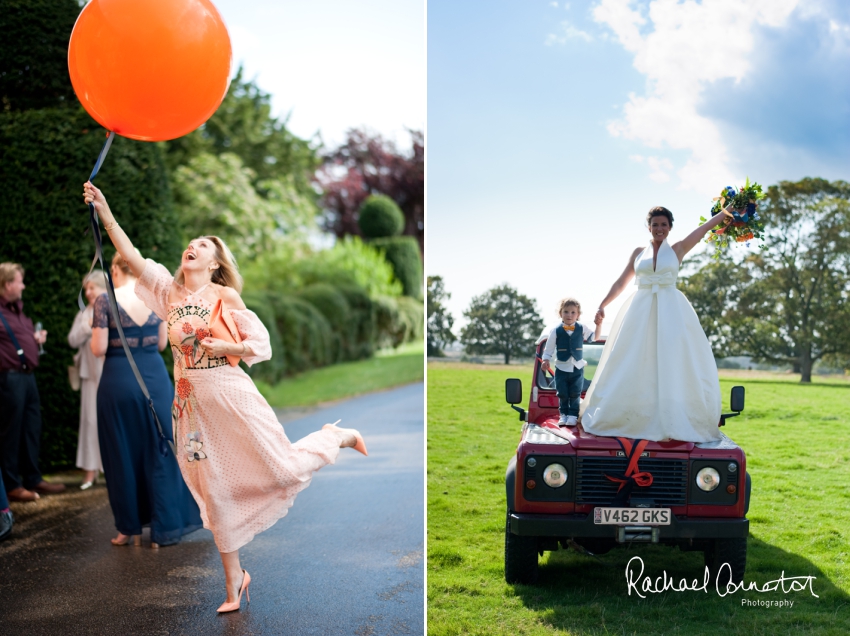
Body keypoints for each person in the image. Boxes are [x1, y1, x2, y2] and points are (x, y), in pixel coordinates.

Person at [83, 182, 368, 614]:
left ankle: (336, 437)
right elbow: (132, 254)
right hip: (191, 410)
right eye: (190, 243)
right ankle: (234, 581)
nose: (191, 247)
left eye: (201, 245)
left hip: (233, 397)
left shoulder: (224, 296)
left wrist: (226, 348)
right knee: (214, 493)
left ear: (215, 264)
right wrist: (104, 209)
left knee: (284, 468)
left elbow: (261, 345)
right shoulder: (167, 292)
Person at [579, 206, 729, 443]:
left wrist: (727, 211)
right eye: (655, 225)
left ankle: (672, 415)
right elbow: (622, 281)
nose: (659, 229)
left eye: (664, 225)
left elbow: (703, 230)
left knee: (673, 359)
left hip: (671, 310)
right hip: (640, 308)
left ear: (670, 227)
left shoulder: (678, 248)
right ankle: (626, 414)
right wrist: (603, 304)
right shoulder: (639, 252)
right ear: (649, 227)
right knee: (630, 356)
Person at [91, 252, 203, 548]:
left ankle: (127, 528)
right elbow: (163, 342)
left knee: (121, 453)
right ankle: (163, 530)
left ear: (115, 269)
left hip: (118, 381)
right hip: (154, 379)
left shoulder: (105, 299)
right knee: (160, 448)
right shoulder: (155, 299)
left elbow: (98, 347)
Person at [0, 262, 66, 503]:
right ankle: (11, 484)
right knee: (10, 432)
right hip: (9, 378)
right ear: (8, 284)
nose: (23, 285)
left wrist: (34, 338)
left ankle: (32, 477)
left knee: (31, 428)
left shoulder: (18, 311)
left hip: (28, 378)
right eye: (19, 281)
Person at [67, 271, 108, 489]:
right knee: (90, 421)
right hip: (90, 376)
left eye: (91, 288)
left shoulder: (115, 307)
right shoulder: (84, 314)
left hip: (110, 373)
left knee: (109, 422)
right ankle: (90, 472)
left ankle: (111, 470)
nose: (88, 293)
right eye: (86, 289)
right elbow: (72, 340)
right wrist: (88, 324)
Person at [540, 298, 598, 426]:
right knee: (562, 393)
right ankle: (564, 414)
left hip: (577, 367)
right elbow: (549, 348)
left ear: (578, 315)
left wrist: (598, 324)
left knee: (575, 392)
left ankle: (573, 415)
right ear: (560, 313)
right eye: (566, 312)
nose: (569, 315)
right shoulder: (556, 330)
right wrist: (545, 360)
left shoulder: (582, 328)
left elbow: (594, 337)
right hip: (561, 367)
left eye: (573, 312)